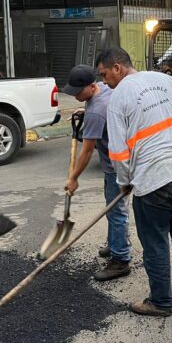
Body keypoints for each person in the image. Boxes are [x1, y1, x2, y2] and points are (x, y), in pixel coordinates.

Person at [97, 47, 172, 317]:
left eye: (104, 74)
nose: (104, 81)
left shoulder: (118, 97)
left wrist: (124, 182)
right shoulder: (163, 79)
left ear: (118, 68)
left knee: (155, 240)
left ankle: (160, 302)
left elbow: (119, 153)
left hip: (153, 180)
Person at [62, 64, 132, 281]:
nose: (75, 97)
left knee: (115, 211)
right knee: (113, 207)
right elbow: (100, 105)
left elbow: (87, 151)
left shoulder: (95, 113)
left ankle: (121, 259)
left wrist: (73, 178)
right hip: (125, 156)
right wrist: (85, 108)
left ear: (92, 86)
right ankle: (114, 245)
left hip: (116, 164)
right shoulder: (105, 87)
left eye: (78, 93)